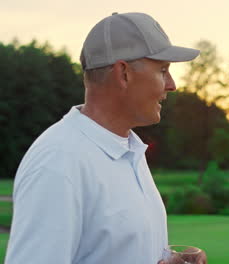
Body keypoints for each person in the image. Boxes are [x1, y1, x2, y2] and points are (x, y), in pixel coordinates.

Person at [6, 12, 206, 264]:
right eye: (163, 70)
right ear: (123, 73)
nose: (172, 84)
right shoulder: (58, 163)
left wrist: (172, 259)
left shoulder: (129, 149)